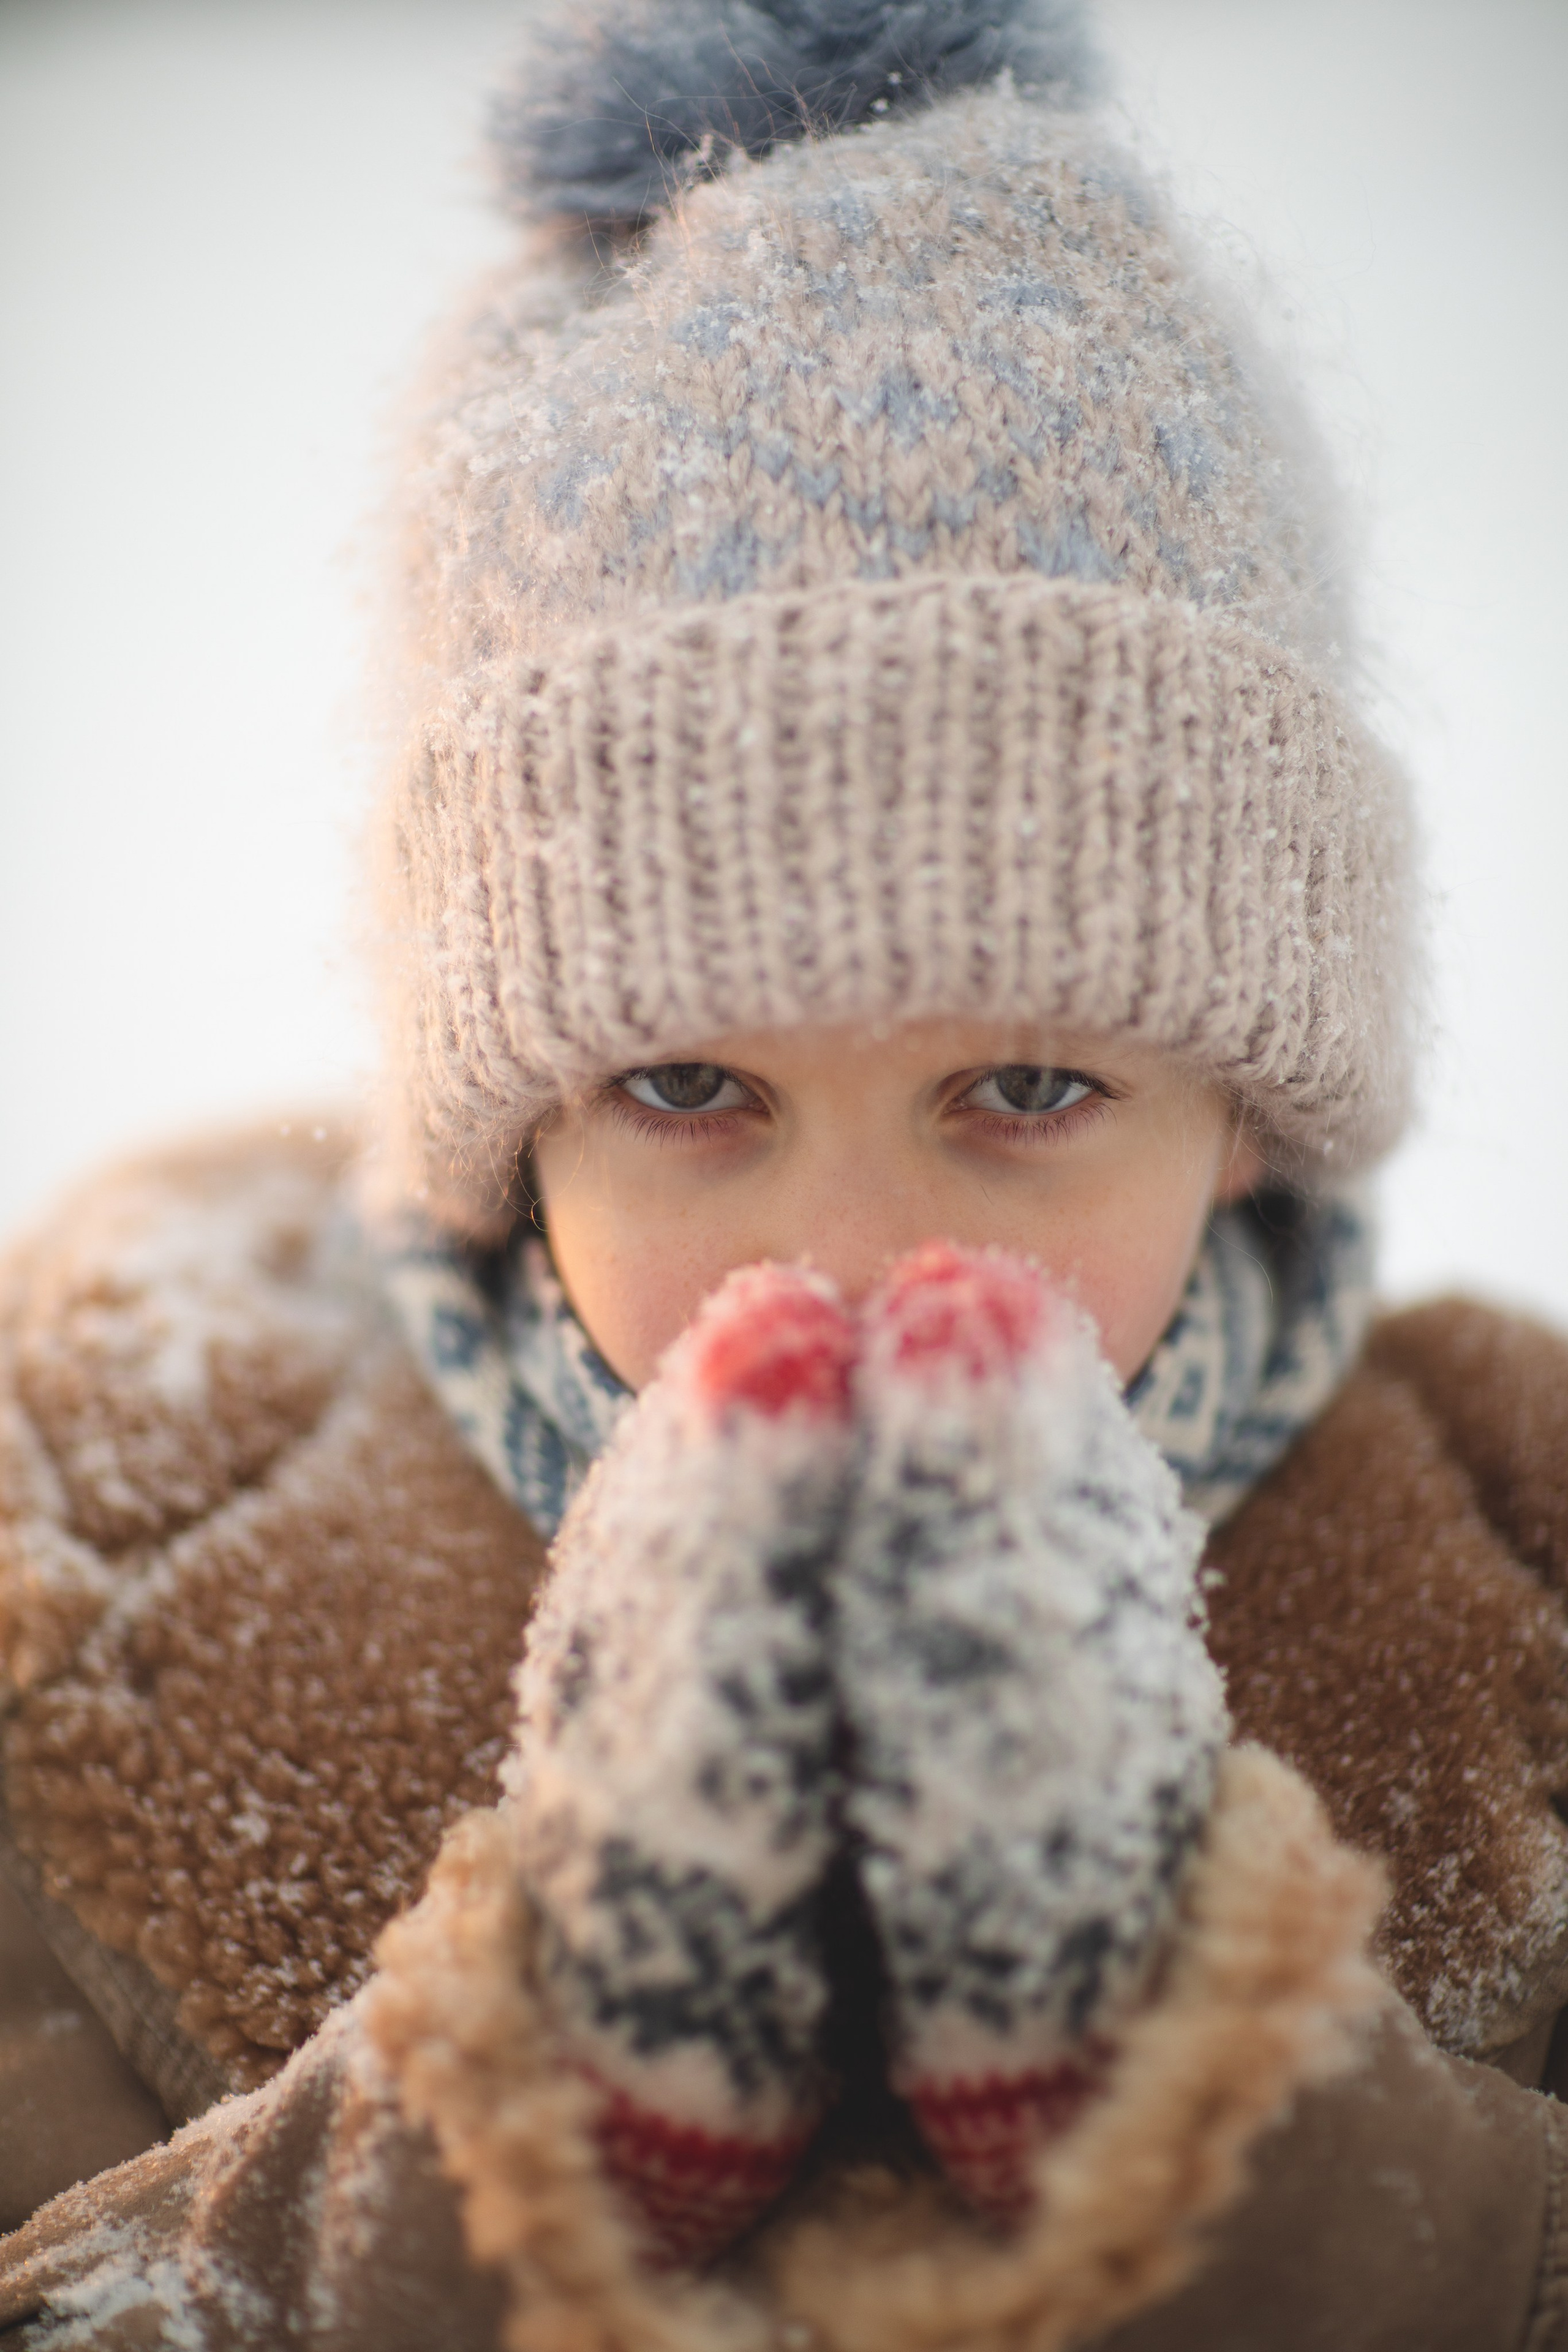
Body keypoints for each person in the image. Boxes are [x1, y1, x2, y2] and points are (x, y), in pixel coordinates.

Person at [4, 1, 1568, 2343]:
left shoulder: (1519, 1577)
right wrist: (528, 2099)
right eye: (688, 1093)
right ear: (506, 1107)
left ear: (1250, 1099)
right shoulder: (99, 1544)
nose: (845, 1259)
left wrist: (1222, 2109)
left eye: (1027, 1088)